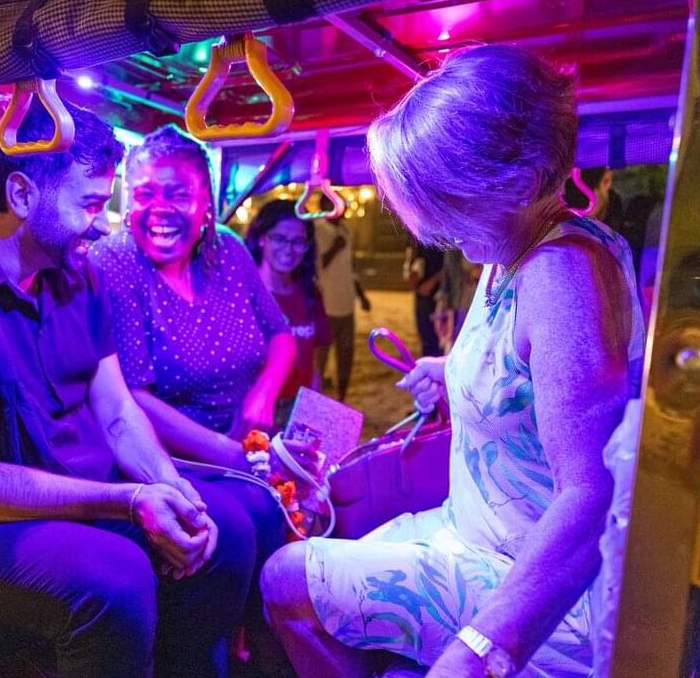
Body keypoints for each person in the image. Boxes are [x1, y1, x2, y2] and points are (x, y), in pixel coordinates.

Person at [261, 44, 644, 678]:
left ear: (522, 182)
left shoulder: (561, 274)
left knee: (284, 578)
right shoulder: (515, 247)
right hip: (471, 532)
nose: (436, 228)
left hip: (539, 586)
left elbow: (590, 491)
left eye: (450, 201)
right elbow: (530, 374)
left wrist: (481, 651)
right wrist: (451, 373)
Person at [0, 99, 257, 678]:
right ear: (21, 194)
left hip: (79, 491)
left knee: (227, 530)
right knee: (114, 579)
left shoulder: (80, 275)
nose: (104, 222)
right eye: (90, 203)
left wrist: (171, 489)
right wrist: (129, 500)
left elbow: (116, 411)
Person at [88, 125, 307, 669]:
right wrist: (231, 454)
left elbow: (281, 336)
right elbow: (132, 397)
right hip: (165, 456)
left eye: (178, 194)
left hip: (245, 443)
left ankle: (263, 649)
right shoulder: (115, 262)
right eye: (144, 193)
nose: (159, 209)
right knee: (247, 520)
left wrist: (261, 399)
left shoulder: (227, 250)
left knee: (301, 513)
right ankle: (209, 655)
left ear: (206, 203)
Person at [244, 199, 332, 426]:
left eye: (298, 241)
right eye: (279, 238)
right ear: (262, 238)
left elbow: (315, 364)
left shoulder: (309, 294)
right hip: (253, 409)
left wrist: (313, 412)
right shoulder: (244, 294)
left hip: (297, 409)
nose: (289, 249)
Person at [313, 218, 370, 401]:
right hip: (326, 305)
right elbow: (318, 265)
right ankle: (316, 398)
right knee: (320, 357)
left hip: (346, 303)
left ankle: (341, 398)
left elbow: (349, 268)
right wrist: (334, 248)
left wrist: (361, 295)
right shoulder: (318, 228)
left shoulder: (346, 230)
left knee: (346, 353)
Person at [404, 239, 446, 357]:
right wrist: (410, 273)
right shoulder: (415, 234)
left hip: (439, 293)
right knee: (425, 335)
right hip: (421, 292)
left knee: (438, 337)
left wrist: (432, 282)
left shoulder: (441, 235)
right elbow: (411, 253)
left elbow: (451, 264)